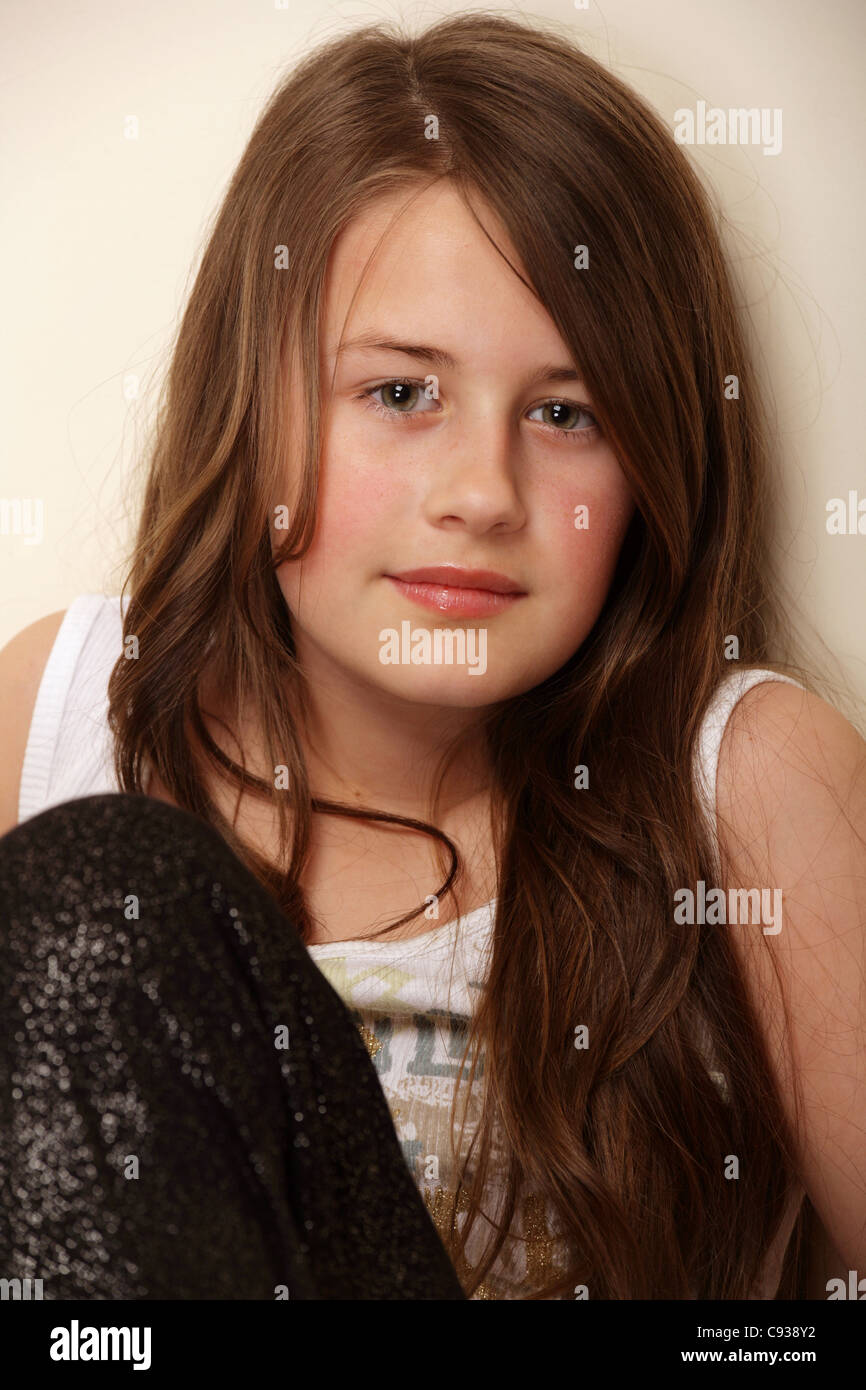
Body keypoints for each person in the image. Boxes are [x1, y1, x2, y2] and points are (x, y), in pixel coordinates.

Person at [1, 12, 864, 1300]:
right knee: (104, 880)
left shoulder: (749, 782)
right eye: (400, 393)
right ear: (253, 403)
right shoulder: (61, 712)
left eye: (565, 413)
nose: (481, 491)